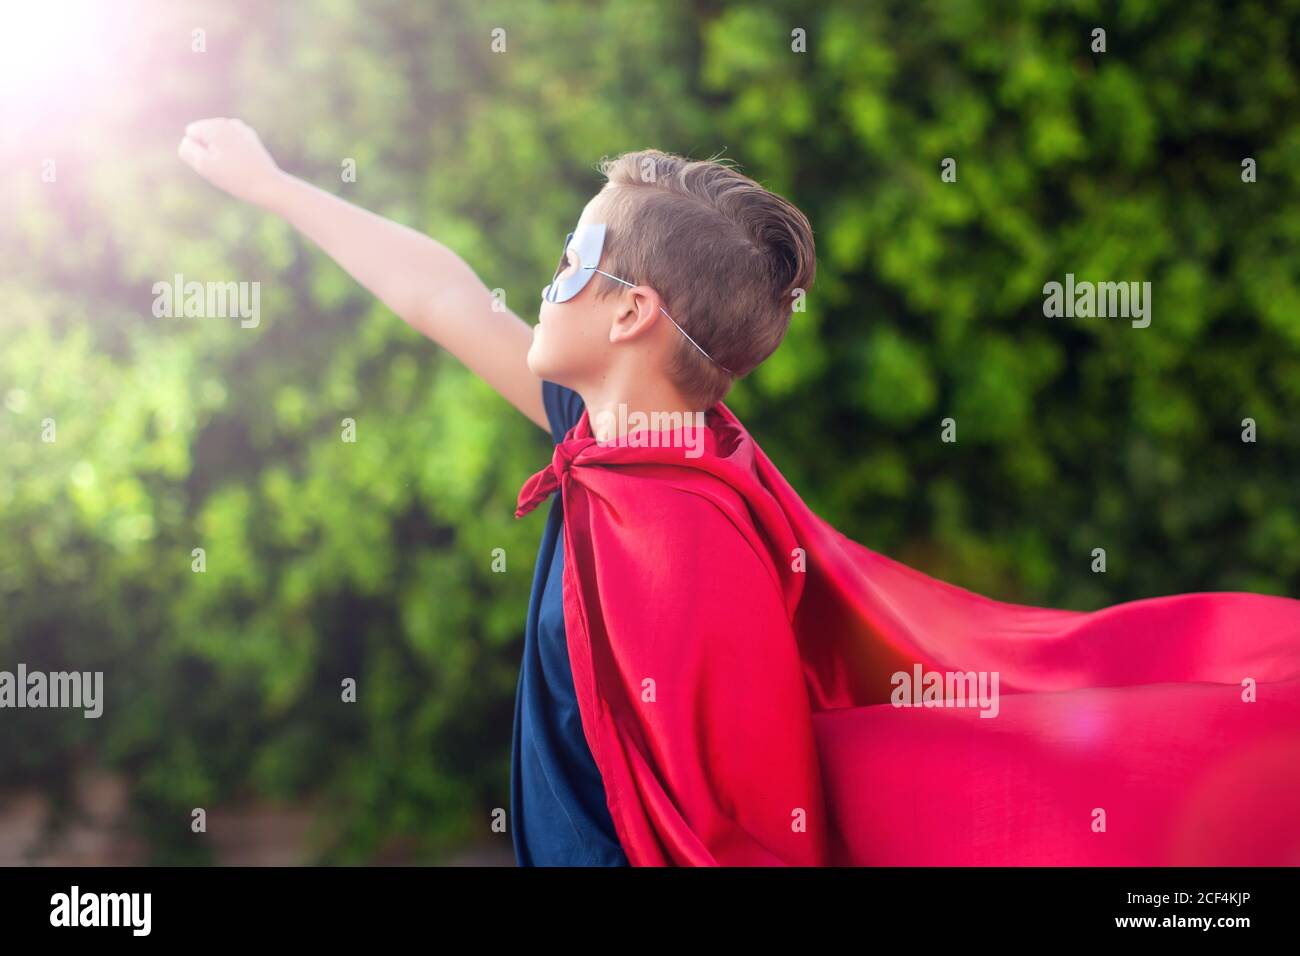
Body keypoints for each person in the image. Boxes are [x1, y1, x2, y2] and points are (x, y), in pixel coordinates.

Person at [180, 120, 1300, 866]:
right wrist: (272, 186)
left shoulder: (678, 537)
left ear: (629, 314)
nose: (544, 279)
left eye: (574, 256)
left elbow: (746, 830)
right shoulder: (631, 436)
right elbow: (445, 296)